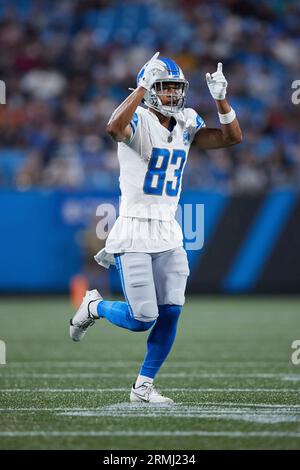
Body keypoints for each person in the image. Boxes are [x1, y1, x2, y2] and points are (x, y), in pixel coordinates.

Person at [69, 52, 242, 404]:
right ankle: (94, 306)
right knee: (141, 317)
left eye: (176, 88)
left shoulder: (186, 121)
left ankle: (143, 387)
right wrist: (139, 90)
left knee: (172, 309)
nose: (172, 95)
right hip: (134, 228)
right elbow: (114, 128)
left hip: (168, 230)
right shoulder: (139, 119)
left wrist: (221, 99)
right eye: (164, 88)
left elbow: (231, 138)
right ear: (148, 89)